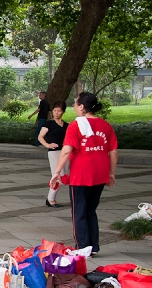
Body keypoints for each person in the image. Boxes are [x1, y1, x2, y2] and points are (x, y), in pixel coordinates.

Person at [50, 92, 118, 255]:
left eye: (75, 104)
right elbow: (113, 152)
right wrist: (111, 173)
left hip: (81, 175)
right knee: (90, 210)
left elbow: (66, 150)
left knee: (78, 211)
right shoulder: (105, 125)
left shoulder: (75, 125)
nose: (73, 106)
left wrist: (57, 171)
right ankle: (93, 246)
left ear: (81, 107)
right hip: (100, 174)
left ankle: (82, 247)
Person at [39, 100, 68, 208]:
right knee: (57, 176)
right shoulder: (49, 123)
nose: (56, 113)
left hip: (64, 152)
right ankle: (50, 199)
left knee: (64, 177)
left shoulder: (66, 125)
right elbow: (40, 136)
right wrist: (47, 145)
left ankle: (52, 198)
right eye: (54, 110)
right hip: (54, 152)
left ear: (63, 112)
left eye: (58, 111)